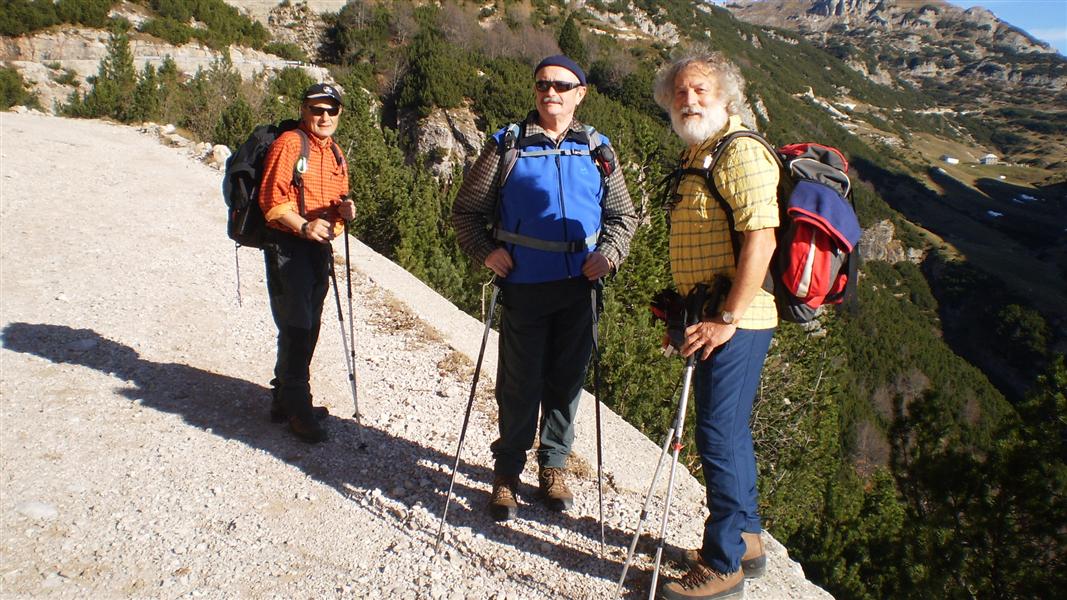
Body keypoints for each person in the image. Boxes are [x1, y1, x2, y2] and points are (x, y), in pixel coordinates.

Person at [453, 55, 637, 521]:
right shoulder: (507, 145)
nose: (550, 92)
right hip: (525, 287)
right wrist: (486, 252)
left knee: (567, 382)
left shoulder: (597, 149)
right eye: (542, 84)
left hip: (580, 288)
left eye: (561, 85)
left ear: (581, 94)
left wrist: (609, 254)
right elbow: (466, 212)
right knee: (519, 384)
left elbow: (623, 216)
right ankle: (507, 473)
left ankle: (553, 465)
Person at [654, 52, 778, 600]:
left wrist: (727, 318)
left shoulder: (739, 152)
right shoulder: (700, 152)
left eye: (700, 90)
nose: (689, 100)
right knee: (728, 432)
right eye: (680, 92)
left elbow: (762, 241)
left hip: (736, 321)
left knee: (717, 437)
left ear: (726, 95)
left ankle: (722, 565)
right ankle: (746, 540)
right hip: (713, 316)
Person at [259, 82, 354, 444]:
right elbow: (271, 201)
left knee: (309, 324)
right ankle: (299, 408)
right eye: (317, 109)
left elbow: (336, 201)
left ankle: (284, 398)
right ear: (304, 110)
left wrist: (344, 212)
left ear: (339, 114)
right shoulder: (289, 144)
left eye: (331, 110)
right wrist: (303, 226)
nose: (324, 116)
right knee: (297, 326)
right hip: (288, 245)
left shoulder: (335, 153)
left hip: (317, 248)